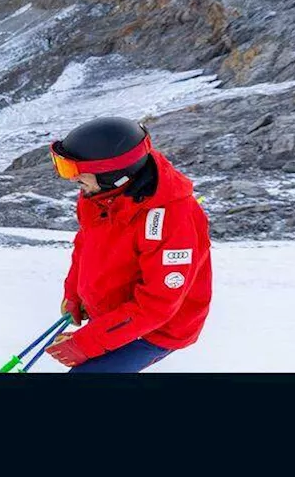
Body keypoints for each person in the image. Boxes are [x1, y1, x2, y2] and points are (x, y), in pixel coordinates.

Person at [44, 117, 212, 373]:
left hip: (157, 330)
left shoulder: (171, 219)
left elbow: (157, 306)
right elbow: (86, 245)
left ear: (115, 176)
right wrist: (74, 293)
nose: (71, 179)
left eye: (75, 171)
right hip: (117, 318)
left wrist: (87, 343)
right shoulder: (99, 195)